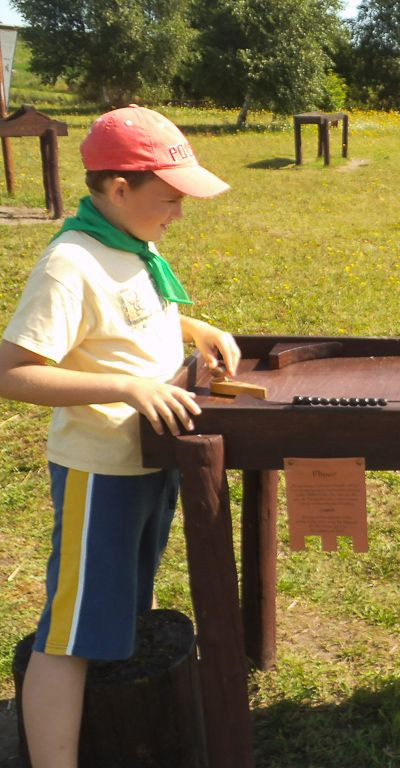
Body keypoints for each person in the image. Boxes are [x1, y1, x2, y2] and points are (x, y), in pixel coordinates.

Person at [0, 105, 240, 768]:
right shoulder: (70, 264)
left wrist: (196, 329)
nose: (179, 214)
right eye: (170, 199)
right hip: (100, 472)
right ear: (118, 189)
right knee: (70, 635)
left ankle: (119, 729)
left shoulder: (130, 244)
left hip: (147, 460)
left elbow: (129, 317)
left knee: (124, 607)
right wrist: (127, 388)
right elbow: (12, 372)